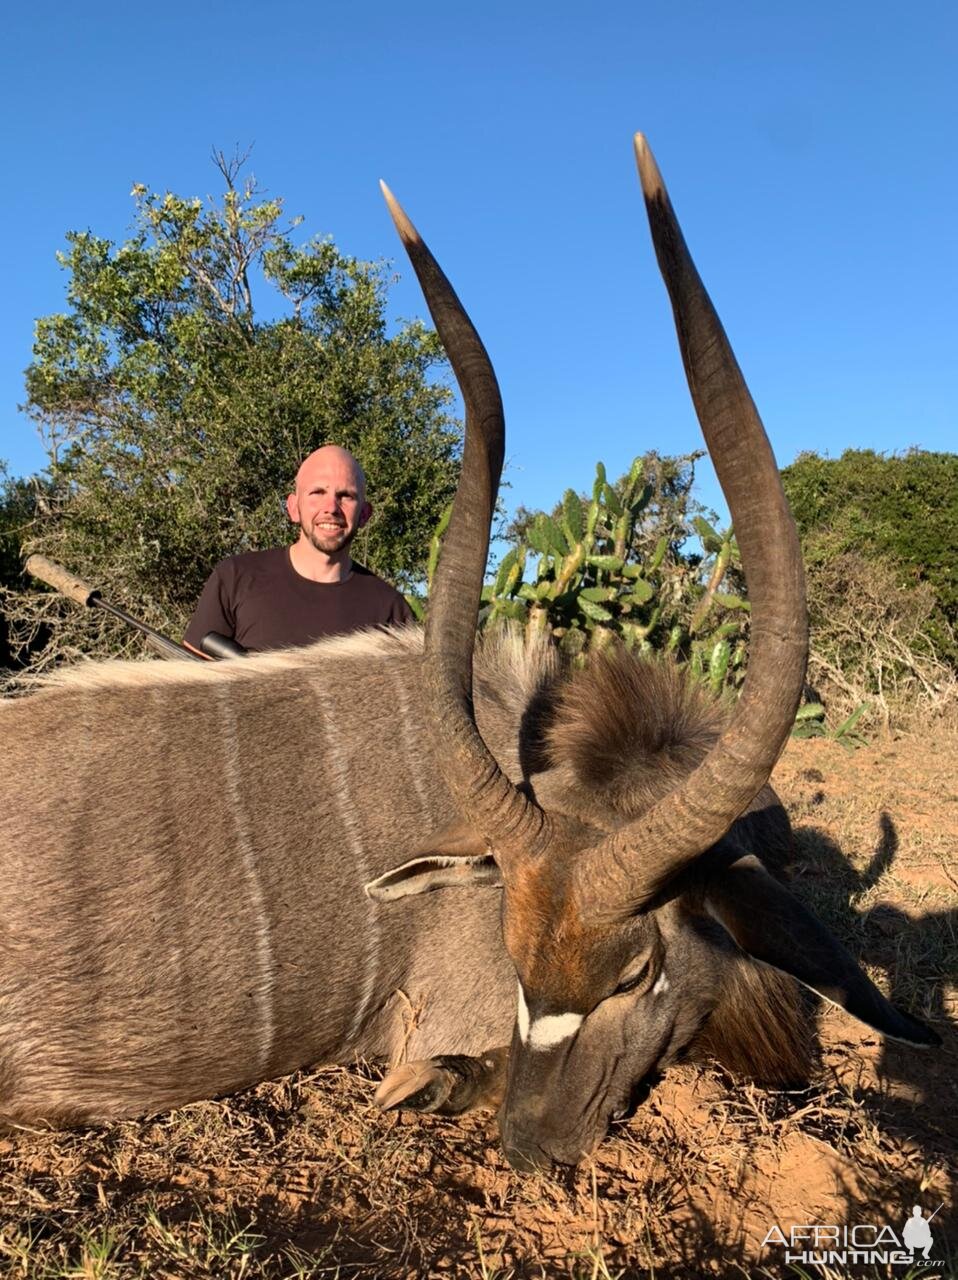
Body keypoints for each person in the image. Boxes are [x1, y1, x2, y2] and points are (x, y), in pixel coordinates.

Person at [184, 445, 413, 655]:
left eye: (346, 496)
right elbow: (192, 680)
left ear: (364, 514)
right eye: (317, 493)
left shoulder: (391, 611)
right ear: (293, 508)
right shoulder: (235, 577)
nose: (331, 508)